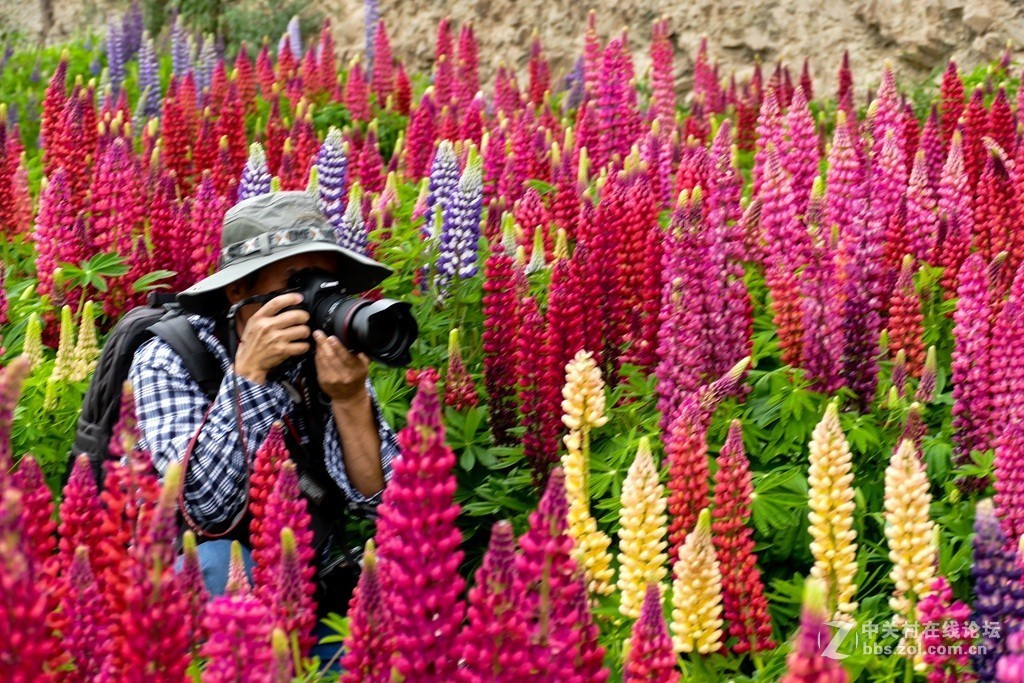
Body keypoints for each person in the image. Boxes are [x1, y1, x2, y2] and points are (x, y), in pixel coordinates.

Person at [128, 191, 400, 662]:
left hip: (306, 583)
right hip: (199, 594)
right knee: (213, 563)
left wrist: (351, 398)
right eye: (300, 281)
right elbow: (206, 512)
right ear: (239, 291)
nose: (319, 298)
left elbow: (390, 506)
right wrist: (249, 376)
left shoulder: (325, 352)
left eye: (327, 282)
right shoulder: (169, 356)